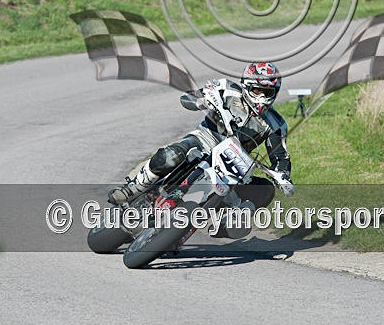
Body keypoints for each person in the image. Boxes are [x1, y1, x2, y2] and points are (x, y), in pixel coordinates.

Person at [108, 62, 293, 218]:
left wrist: (283, 176)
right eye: (257, 90)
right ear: (246, 86)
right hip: (206, 140)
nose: (261, 97)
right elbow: (190, 96)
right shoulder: (227, 88)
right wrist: (200, 101)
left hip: (235, 163)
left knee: (266, 190)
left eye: (267, 93)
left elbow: (281, 157)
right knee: (170, 156)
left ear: (275, 93)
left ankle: (227, 223)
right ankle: (133, 188)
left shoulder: (276, 124)